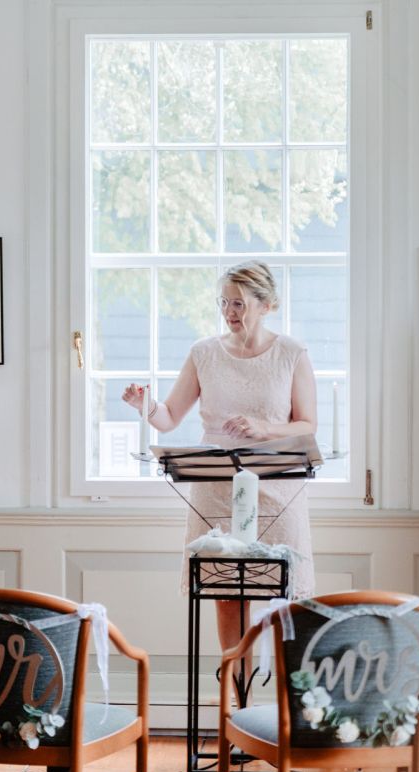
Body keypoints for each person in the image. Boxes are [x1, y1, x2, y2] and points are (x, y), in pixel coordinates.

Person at [122, 261, 317, 689]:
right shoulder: (203, 353)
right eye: (224, 302)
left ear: (267, 305)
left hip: (277, 487)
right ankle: (237, 699)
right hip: (215, 488)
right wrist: (145, 405)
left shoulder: (292, 354)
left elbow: (306, 425)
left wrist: (266, 428)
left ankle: (286, 712)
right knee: (226, 594)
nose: (230, 312)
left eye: (240, 303)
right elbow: (169, 417)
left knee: (280, 597)